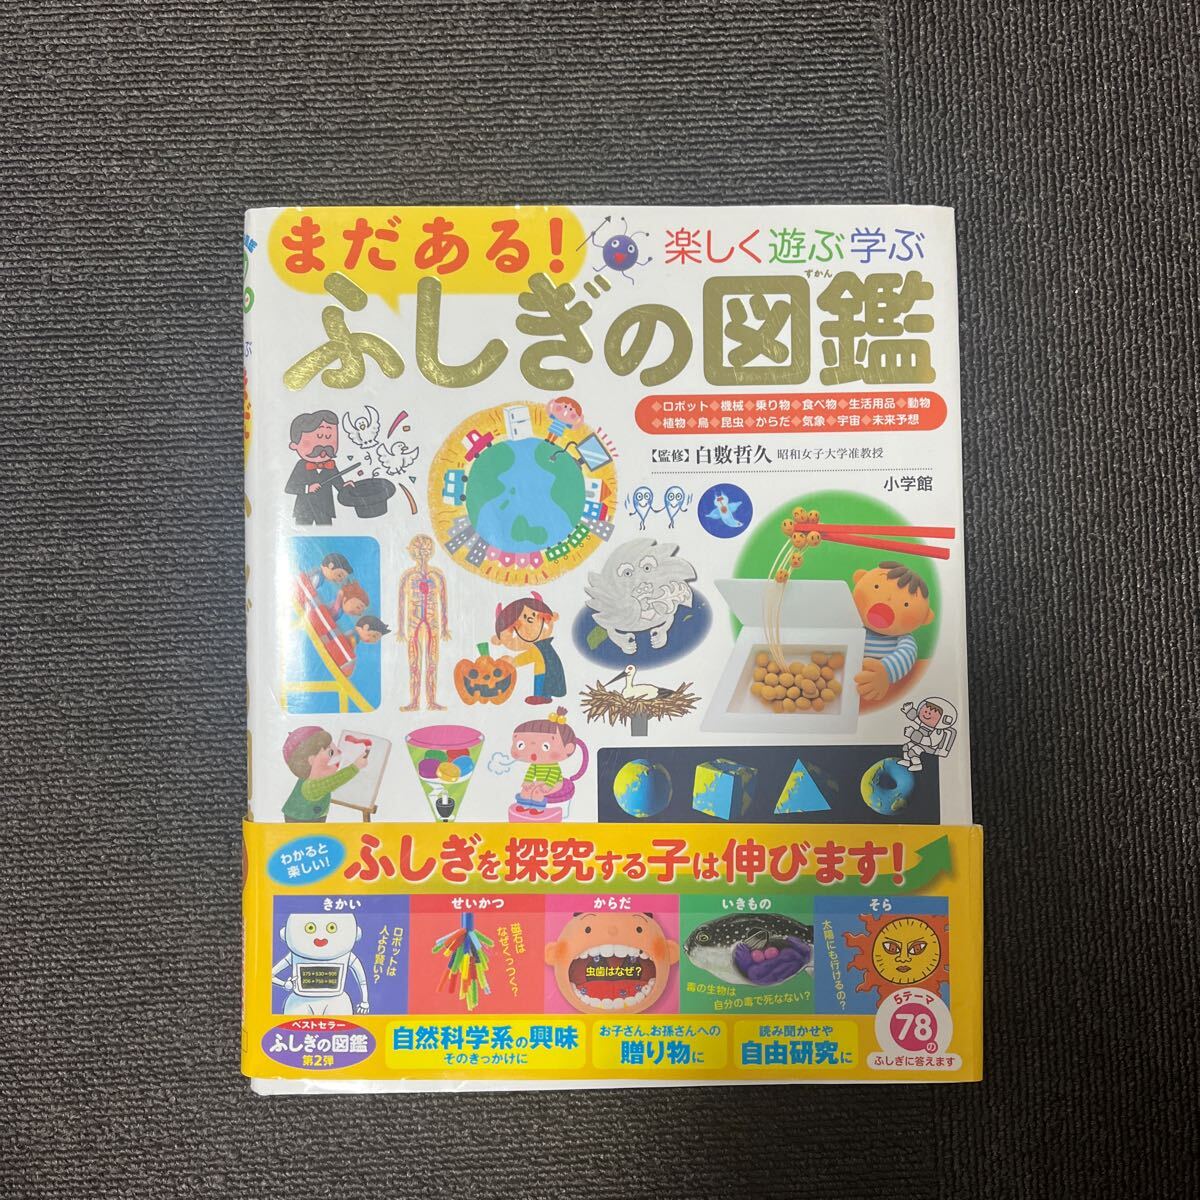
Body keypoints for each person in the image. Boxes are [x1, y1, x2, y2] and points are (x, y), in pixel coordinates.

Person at [850, 561, 935, 701]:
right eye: (876, 587)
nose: (884, 607)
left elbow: (907, 654)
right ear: (860, 578)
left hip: (880, 692)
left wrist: (886, 671)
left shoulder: (903, 639)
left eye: (906, 604)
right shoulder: (853, 624)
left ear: (925, 617)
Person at [491, 591, 565, 705]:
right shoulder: (539, 647)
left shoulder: (541, 647)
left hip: (546, 670)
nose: (529, 626)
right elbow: (530, 655)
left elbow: (529, 656)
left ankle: (542, 696)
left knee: (542, 680)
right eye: (518, 626)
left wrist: (514, 662)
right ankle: (542, 696)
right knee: (541, 679)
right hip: (544, 669)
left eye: (534, 617)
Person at [280, 727, 367, 822]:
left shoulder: (315, 777)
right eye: (331, 752)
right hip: (302, 820)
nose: (339, 752)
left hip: (313, 817)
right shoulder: (311, 787)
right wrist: (355, 767)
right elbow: (336, 780)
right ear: (312, 760)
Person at [285, 410, 348, 525]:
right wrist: (307, 488)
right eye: (318, 436)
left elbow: (339, 485)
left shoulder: (331, 465)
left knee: (327, 533)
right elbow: (290, 488)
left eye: (329, 437)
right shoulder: (301, 466)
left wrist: (346, 487)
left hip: (325, 509)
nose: (323, 445)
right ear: (294, 445)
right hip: (304, 510)